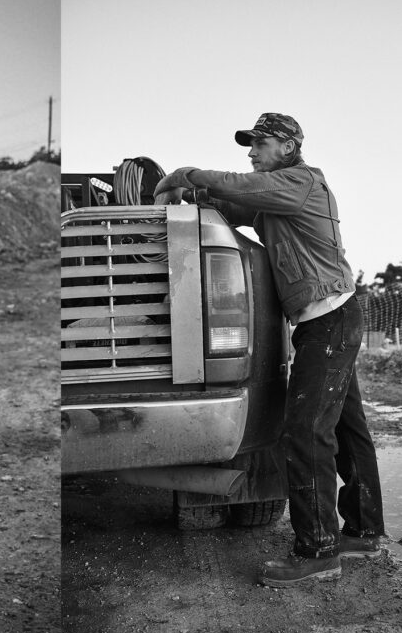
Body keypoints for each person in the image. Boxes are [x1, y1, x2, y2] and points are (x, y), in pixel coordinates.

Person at [153, 113, 385, 587]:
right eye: (250, 144)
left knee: (304, 431)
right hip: (328, 320)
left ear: (288, 145)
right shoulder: (276, 201)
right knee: (347, 428)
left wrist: (183, 174)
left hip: (330, 321)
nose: (251, 151)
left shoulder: (300, 183)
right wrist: (194, 197)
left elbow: (240, 186)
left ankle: (318, 550)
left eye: (260, 143)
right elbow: (235, 204)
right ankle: (362, 531)